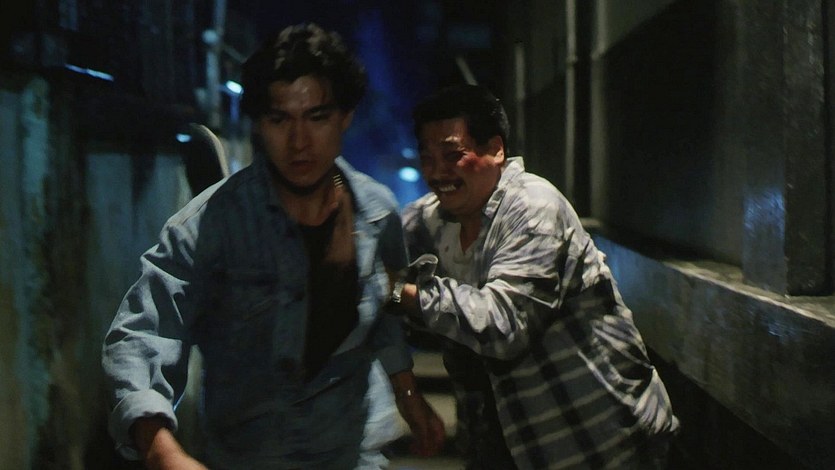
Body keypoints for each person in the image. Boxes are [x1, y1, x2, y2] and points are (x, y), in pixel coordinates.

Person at [101, 23, 444, 469]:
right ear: (260, 125)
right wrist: (161, 449)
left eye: (317, 117)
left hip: (351, 454)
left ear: (345, 116)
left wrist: (408, 394)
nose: (299, 142)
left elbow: (386, 309)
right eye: (280, 120)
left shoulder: (377, 213)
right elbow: (143, 333)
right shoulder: (210, 225)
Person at [390, 84, 679, 469]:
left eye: (453, 155)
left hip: (600, 443)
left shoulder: (532, 207)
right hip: (505, 443)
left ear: (496, 149)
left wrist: (402, 293)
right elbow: (372, 250)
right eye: (427, 158)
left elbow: (504, 325)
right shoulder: (431, 220)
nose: (438, 171)